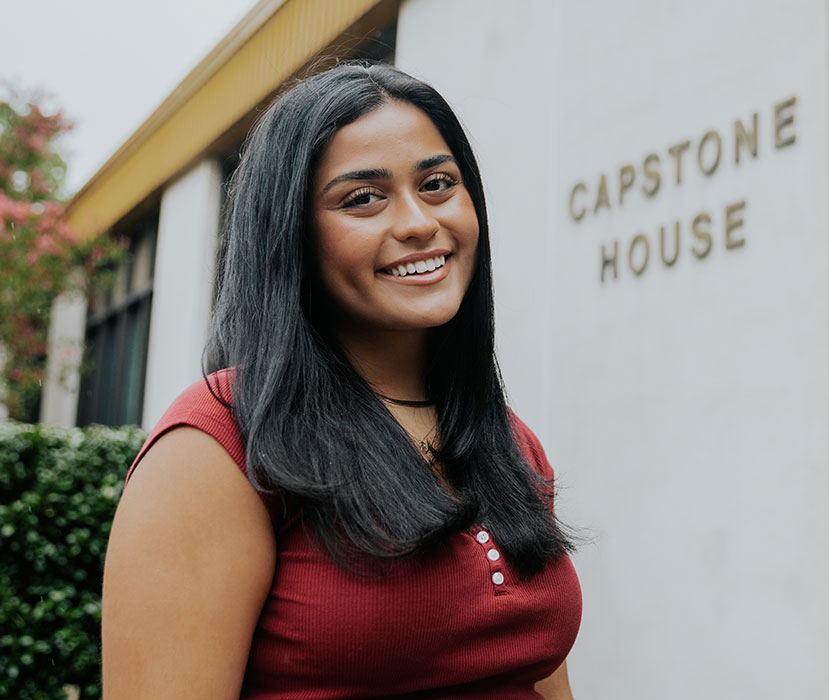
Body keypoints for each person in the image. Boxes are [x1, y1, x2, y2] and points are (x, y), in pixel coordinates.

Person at [101, 62, 582, 699]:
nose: (416, 221)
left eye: (438, 184)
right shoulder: (220, 447)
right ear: (292, 236)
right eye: (362, 198)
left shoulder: (507, 440)